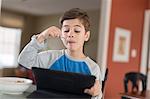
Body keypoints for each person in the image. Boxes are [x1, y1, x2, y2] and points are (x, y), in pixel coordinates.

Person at [18, 8, 102, 99]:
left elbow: (96, 96)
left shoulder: (93, 68)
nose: (70, 34)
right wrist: (42, 36)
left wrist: (96, 94)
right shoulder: (50, 57)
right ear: (61, 35)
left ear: (86, 36)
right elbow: (24, 60)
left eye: (76, 31)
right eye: (66, 30)